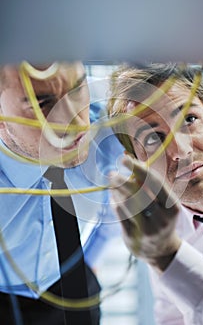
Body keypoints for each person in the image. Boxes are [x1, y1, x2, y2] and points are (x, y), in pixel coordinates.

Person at [107, 63, 203, 324]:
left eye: (189, 119)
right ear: (137, 162)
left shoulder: (164, 244)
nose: (180, 151)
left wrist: (168, 256)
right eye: (153, 138)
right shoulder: (166, 226)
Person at [0, 61, 123, 324]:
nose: (75, 122)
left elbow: (115, 203)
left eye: (78, 90)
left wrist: (90, 259)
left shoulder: (110, 132)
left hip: (76, 288)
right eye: (43, 104)